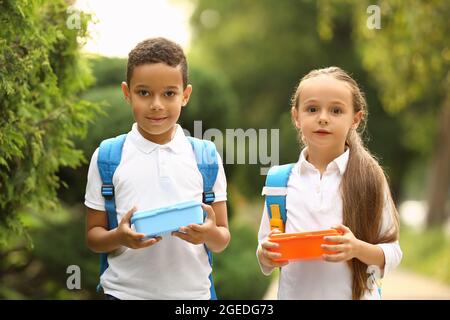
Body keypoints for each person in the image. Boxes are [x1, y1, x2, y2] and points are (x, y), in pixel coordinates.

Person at [85, 37, 230, 300]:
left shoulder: (205, 157)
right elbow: (94, 237)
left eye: (169, 93)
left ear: (185, 95)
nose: (156, 104)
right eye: (143, 93)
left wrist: (208, 234)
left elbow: (222, 238)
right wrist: (120, 236)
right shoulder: (108, 157)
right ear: (126, 93)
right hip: (123, 294)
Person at [256, 66, 402, 300]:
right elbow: (264, 247)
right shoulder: (279, 181)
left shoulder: (370, 177)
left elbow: (393, 252)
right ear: (296, 116)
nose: (323, 118)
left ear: (355, 119)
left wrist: (356, 248)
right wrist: (266, 253)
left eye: (336, 110)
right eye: (312, 109)